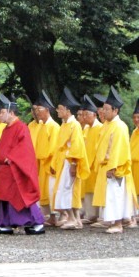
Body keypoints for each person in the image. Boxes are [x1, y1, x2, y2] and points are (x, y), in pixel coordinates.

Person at [0, 94, 44, 235]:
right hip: (5, 169)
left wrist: (12, 158)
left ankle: (35, 222)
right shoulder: (6, 129)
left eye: (2, 112)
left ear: (11, 112)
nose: (0, 115)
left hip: (15, 168)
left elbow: (25, 149)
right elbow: (2, 147)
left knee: (21, 195)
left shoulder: (21, 127)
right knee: (1, 194)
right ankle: (5, 223)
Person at [91, 87, 136, 234]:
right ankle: (113, 221)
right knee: (110, 195)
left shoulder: (119, 126)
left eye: (107, 109)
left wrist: (113, 166)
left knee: (115, 195)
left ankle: (118, 224)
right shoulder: (107, 125)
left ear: (115, 111)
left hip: (115, 166)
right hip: (106, 164)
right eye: (103, 109)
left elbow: (117, 148)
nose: (103, 112)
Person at [50, 87, 89, 230]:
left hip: (70, 162)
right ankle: (76, 219)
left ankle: (73, 218)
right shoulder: (65, 124)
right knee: (64, 189)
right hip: (63, 162)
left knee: (68, 189)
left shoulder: (75, 125)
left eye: (60, 108)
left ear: (67, 110)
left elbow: (76, 146)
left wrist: (73, 163)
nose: (58, 111)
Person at [32, 90, 60, 226]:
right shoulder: (42, 126)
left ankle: (55, 216)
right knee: (43, 190)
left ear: (47, 110)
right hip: (41, 162)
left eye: (40, 109)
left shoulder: (54, 126)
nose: (37, 112)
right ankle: (48, 216)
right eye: (36, 110)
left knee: (51, 189)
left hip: (50, 163)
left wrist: (53, 164)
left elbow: (54, 148)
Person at [79, 95, 103, 225]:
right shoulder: (86, 129)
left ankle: (98, 214)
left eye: (87, 114)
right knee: (87, 190)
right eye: (83, 115)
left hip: (95, 163)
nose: (84, 117)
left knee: (96, 189)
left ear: (94, 115)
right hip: (86, 163)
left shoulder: (100, 127)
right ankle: (90, 214)